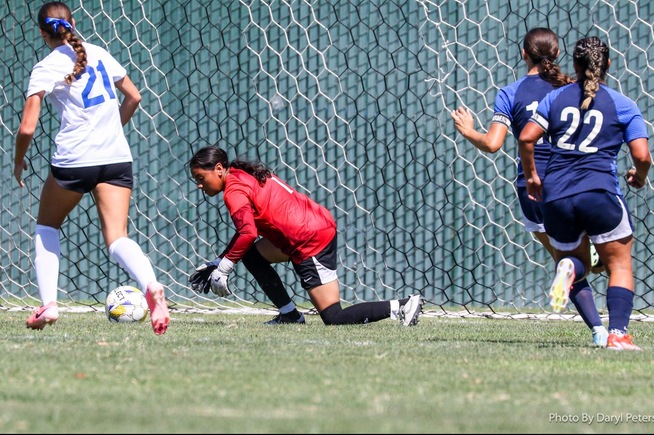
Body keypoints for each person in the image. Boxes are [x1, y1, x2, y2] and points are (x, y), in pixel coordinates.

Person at [13, 2, 170, 335]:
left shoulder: (45, 66)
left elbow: (27, 128)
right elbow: (134, 97)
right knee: (117, 238)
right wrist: (111, 132)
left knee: (47, 227)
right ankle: (151, 285)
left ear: (43, 34)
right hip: (115, 157)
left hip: (74, 160)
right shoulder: (98, 52)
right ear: (73, 24)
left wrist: (18, 160)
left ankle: (49, 305)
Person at [450, 28, 608, 346]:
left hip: (532, 187)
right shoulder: (574, 89)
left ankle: (598, 329)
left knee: (565, 260)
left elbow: (493, 144)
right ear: (559, 55)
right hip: (573, 182)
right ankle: (592, 261)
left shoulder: (512, 93)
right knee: (587, 258)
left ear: (523, 54)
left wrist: (468, 131)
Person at [188, 145, 424, 326]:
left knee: (333, 316)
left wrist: (225, 268)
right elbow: (246, 232)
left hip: (308, 240)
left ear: (219, 169)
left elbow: (248, 232)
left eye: (201, 178)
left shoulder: (234, 191)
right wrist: (219, 261)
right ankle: (289, 314)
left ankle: (403, 306)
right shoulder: (240, 173)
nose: (200, 185)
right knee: (252, 256)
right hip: (314, 225)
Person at [518, 36, 652, 351]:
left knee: (573, 261)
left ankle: (567, 269)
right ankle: (618, 334)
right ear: (607, 64)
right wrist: (640, 176)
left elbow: (526, 138)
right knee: (618, 265)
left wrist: (533, 177)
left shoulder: (555, 98)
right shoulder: (623, 104)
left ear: (575, 66)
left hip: (557, 196)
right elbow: (643, 157)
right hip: (599, 192)